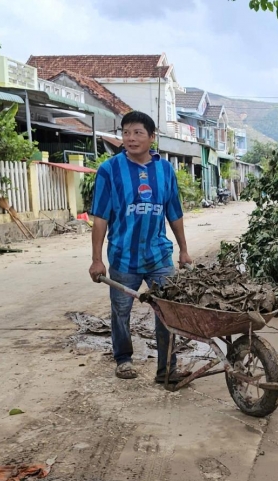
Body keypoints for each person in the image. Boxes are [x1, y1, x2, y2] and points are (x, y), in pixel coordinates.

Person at [88, 111, 192, 382]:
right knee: (121, 311)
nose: (131, 138)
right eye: (126, 132)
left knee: (167, 310)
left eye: (138, 133)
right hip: (123, 256)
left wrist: (183, 249)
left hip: (159, 254)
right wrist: (96, 259)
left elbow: (174, 213)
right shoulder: (109, 170)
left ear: (152, 137)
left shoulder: (165, 169)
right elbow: (100, 217)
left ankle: (167, 370)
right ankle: (123, 360)